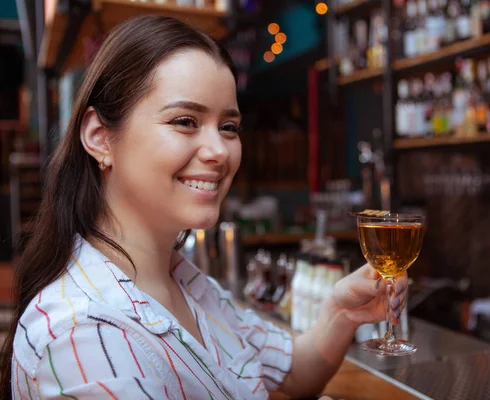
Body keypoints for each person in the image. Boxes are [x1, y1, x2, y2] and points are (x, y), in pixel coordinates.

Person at [0, 16, 408, 399]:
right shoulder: (87, 335)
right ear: (100, 138)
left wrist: (339, 313)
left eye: (228, 127)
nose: (218, 151)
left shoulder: (187, 283)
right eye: (184, 121)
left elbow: (297, 370)